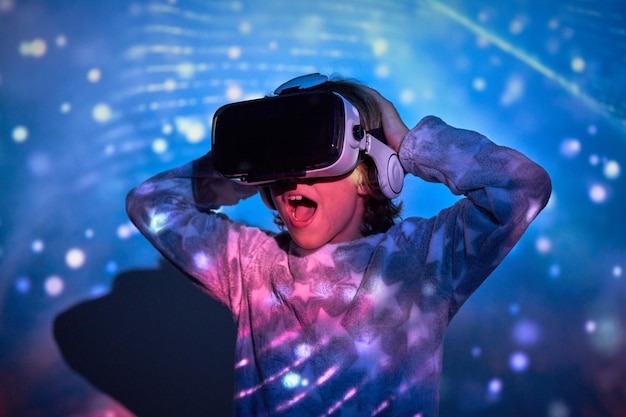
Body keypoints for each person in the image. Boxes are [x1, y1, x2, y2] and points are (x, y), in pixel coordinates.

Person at [126, 74, 552, 417]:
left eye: (315, 151)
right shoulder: (249, 266)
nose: (294, 176)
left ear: (373, 171)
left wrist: (407, 143)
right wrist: (242, 161)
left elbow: (520, 186)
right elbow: (150, 203)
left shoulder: (420, 261)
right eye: (281, 162)